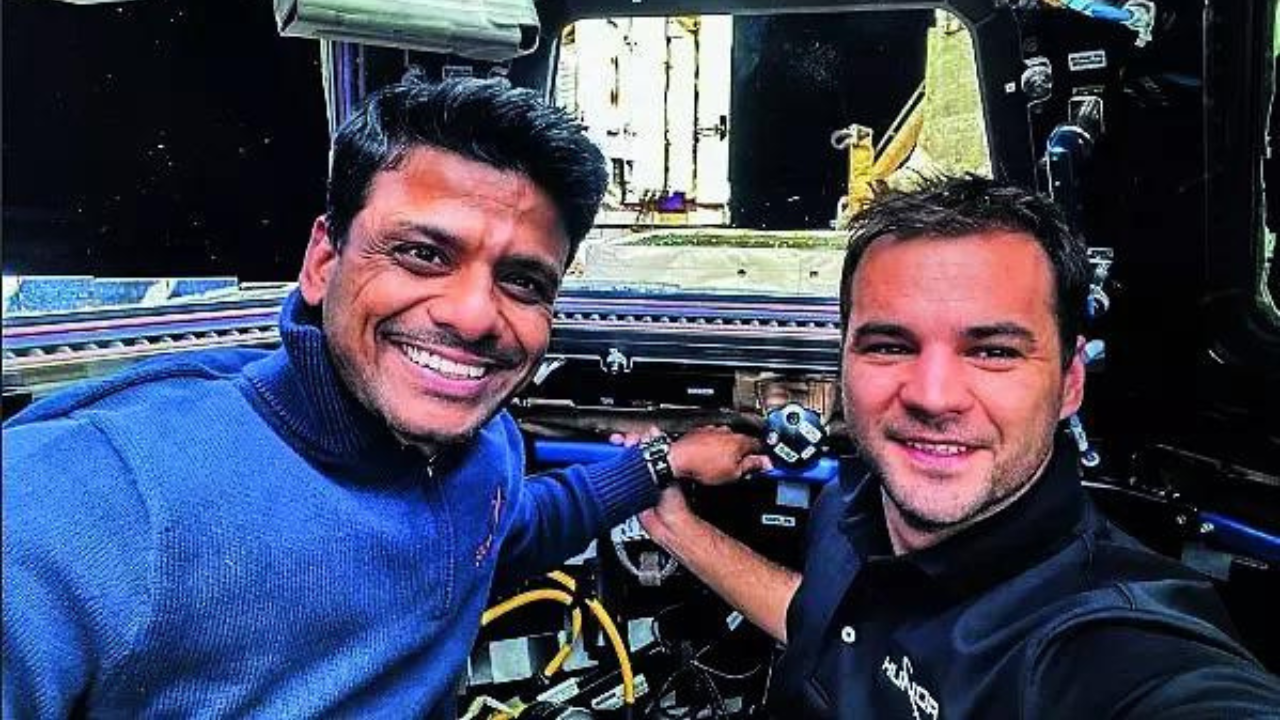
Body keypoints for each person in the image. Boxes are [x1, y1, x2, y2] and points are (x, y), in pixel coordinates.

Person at [1, 77, 768, 718]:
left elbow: (505, 530)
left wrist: (664, 463)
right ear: (322, 262)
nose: (475, 316)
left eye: (523, 281)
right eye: (422, 253)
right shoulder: (90, 497)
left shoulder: (484, 446)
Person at [639, 175, 1280, 718]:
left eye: (993, 351)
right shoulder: (851, 502)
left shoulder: (1105, 645)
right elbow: (828, 622)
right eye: (889, 346)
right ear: (843, 362)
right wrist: (674, 528)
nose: (933, 396)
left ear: (1070, 382)